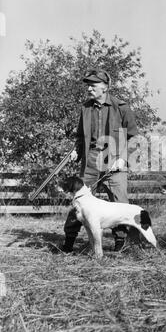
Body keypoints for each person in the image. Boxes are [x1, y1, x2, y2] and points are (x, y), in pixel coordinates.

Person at [62, 68, 138, 253]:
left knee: (120, 203)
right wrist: (77, 151)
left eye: (93, 85)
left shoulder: (122, 107)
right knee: (79, 201)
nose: (89, 89)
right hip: (91, 160)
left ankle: (120, 245)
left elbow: (134, 137)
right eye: (88, 85)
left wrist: (122, 159)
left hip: (115, 161)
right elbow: (80, 136)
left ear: (105, 87)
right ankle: (68, 244)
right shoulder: (85, 108)